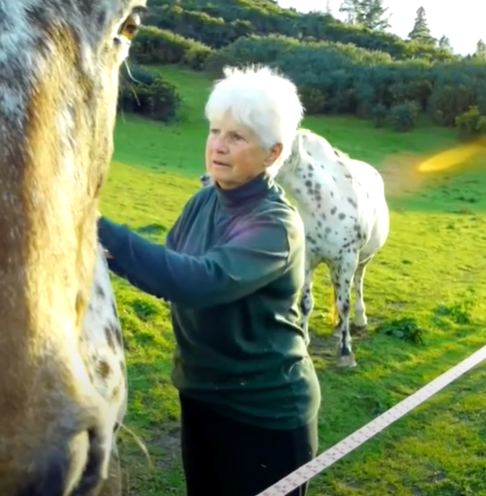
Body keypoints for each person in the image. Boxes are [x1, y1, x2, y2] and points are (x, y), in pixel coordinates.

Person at [97, 65, 321, 496]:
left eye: (237, 137)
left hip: (264, 412)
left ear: (273, 154)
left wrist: (95, 223)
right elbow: (170, 267)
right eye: (215, 131)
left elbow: (199, 281)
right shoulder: (204, 201)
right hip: (201, 395)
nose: (218, 145)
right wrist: (103, 255)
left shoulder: (275, 225)